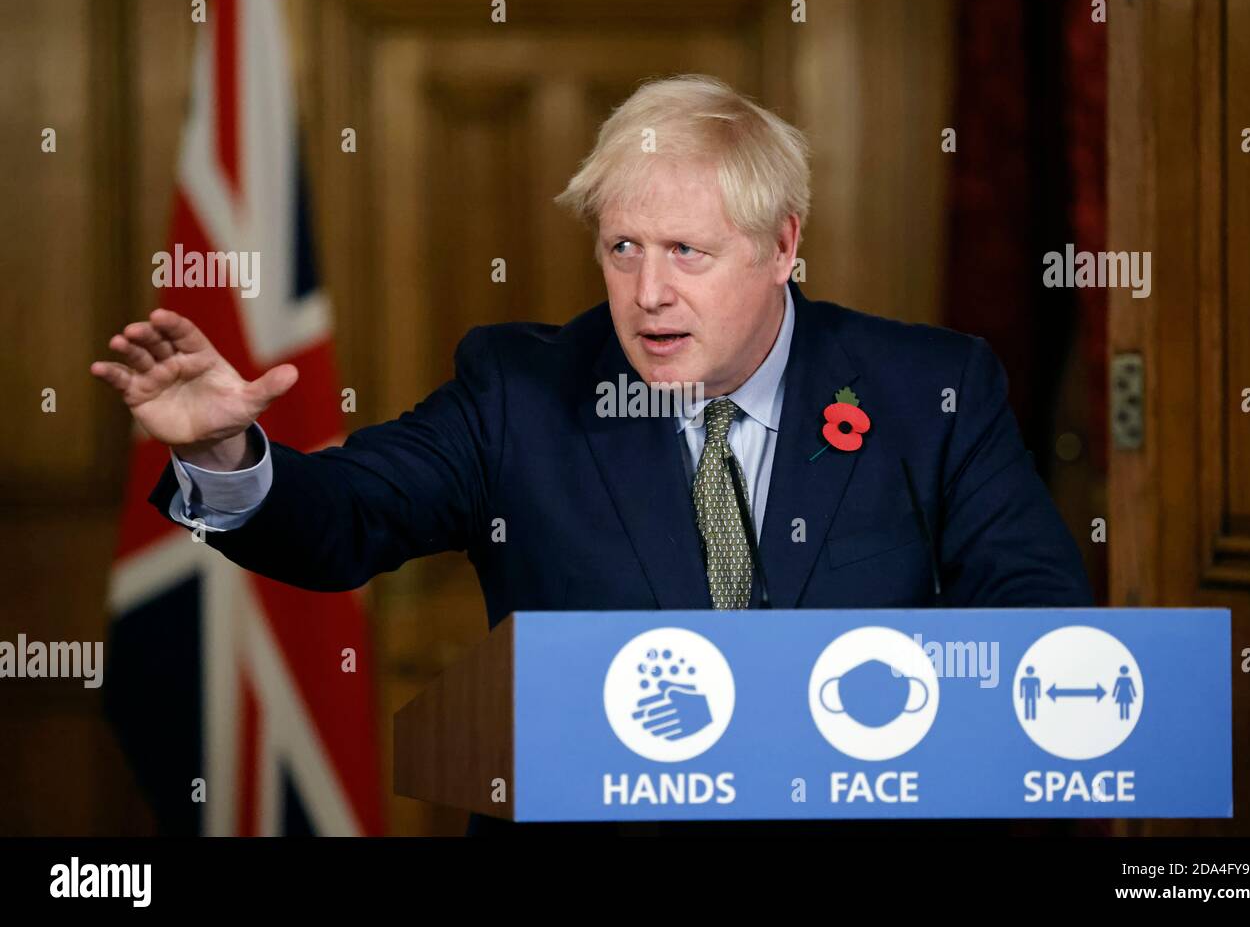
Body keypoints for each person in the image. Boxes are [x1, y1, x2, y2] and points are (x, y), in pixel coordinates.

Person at [91, 74, 1092, 836]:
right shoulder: (521, 391)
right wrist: (229, 447)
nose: (647, 292)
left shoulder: (931, 391)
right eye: (622, 248)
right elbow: (343, 516)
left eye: (685, 253)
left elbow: (1039, 626)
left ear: (783, 246)